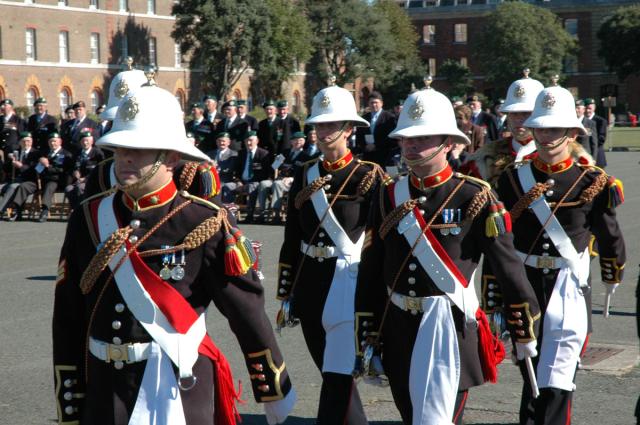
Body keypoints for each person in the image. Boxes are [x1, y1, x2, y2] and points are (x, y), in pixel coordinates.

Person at [52, 81, 295, 425]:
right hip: (105, 389)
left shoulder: (203, 221)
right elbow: (68, 314)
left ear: (172, 157)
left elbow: (246, 311)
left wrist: (272, 388)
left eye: (140, 148)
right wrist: (71, 397)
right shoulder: (88, 218)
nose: (126, 157)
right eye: (120, 148)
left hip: (177, 383)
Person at [353, 86, 540, 425]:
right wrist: (368, 334)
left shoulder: (474, 195)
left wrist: (523, 325)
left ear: (448, 142)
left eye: (422, 138)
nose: (410, 145)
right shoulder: (388, 194)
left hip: (449, 327)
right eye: (406, 138)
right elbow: (372, 269)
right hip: (398, 328)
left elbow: (507, 267)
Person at [495, 84, 626, 425]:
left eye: (554, 128)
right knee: (531, 368)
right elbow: (500, 243)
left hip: (568, 282)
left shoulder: (592, 180)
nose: (545, 135)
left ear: (570, 132)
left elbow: (608, 233)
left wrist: (612, 273)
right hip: (526, 282)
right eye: (540, 128)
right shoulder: (510, 179)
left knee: (559, 373)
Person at [276, 83, 387, 425]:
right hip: (311, 282)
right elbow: (293, 232)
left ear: (349, 130)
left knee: (338, 374)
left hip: (348, 282)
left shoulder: (369, 176)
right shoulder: (306, 172)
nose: (322, 132)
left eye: (330, 125)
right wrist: (287, 288)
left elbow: (377, 242)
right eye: (318, 125)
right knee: (330, 371)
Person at [462, 71, 546, 186]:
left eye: (526, 113)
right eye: (514, 114)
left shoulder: (558, 154)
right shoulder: (484, 157)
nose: (518, 119)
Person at [8, 132, 73, 222]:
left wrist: (47, 166)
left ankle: (45, 210)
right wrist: (40, 161)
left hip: (56, 180)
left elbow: (62, 170)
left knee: (49, 187)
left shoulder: (66, 154)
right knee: (25, 186)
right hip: (40, 179)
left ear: (60, 142)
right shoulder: (44, 152)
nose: (52, 143)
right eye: (50, 142)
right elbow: (37, 167)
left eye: (54, 141)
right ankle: (18, 210)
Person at [256, 131, 306, 223]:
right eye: (295, 140)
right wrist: (277, 162)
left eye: (301, 140)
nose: (298, 142)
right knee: (263, 183)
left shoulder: (306, 156)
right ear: (291, 142)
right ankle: (261, 211)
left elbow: (303, 173)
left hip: (291, 182)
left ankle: (276, 213)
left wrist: (292, 178)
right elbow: (274, 167)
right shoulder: (285, 152)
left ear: (304, 142)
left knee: (277, 184)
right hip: (278, 179)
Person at [229, 131, 272, 222]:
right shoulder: (241, 153)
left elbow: (266, 172)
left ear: (257, 141)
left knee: (252, 186)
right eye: (246, 141)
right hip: (241, 182)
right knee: (227, 186)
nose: (248, 143)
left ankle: (250, 214)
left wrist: (252, 181)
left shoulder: (263, 153)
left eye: (251, 140)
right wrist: (238, 180)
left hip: (256, 181)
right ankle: (228, 214)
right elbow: (236, 170)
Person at [0, 131, 40, 216]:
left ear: (32, 141)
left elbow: (35, 169)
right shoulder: (16, 152)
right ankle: (8, 211)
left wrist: (21, 166)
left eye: (28, 141)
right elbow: (5, 169)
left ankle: (1, 210)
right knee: (1, 187)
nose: (26, 143)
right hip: (15, 179)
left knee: (12, 187)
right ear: (19, 142)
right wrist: (10, 162)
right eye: (23, 141)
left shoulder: (36, 153)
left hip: (29, 180)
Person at [355, 91, 397, 167]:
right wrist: (365, 146)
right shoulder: (364, 118)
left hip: (384, 156)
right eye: (371, 103)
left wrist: (376, 146)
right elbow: (359, 135)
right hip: (368, 156)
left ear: (381, 103)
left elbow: (392, 137)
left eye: (376, 102)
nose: (374, 105)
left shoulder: (389, 118)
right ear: (368, 104)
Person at [65, 130, 105, 209]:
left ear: (92, 141)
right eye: (83, 141)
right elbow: (72, 167)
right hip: (78, 181)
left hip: (92, 181)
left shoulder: (97, 153)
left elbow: (100, 169)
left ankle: (82, 210)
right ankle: (75, 209)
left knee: (80, 188)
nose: (85, 143)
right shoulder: (77, 153)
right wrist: (74, 172)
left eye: (87, 140)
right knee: (68, 189)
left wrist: (86, 178)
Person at [207, 132, 240, 203]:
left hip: (225, 180)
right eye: (219, 141)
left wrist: (217, 168)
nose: (221, 143)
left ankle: (223, 208)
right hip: (211, 178)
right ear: (216, 142)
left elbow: (231, 169)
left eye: (223, 141)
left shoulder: (234, 154)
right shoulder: (210, 154)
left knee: (220, 186)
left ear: (228, 142)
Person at [450, 104, 484, 171]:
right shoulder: (451, 129)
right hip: (451, 161)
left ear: (467, 118)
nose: (457, 120)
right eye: (455, 117)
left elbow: (480, 150)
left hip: (469, 164)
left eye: (460, 118)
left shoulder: (477, 130)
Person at [584, 98, 608, 168]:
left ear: (594, 108)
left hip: (597, 156)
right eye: (586, 108)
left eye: (590, 108)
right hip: (583, 157)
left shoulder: (600, 121)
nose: (587, 111)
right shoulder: (581, 121)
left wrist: (589, 147)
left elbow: (601, 139)